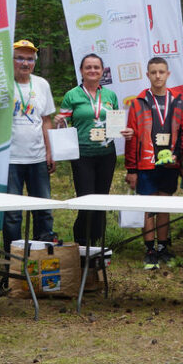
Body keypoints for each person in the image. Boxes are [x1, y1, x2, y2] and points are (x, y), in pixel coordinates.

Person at [124, 57, 183, 269]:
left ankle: (163, 246)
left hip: (170, 163)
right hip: (146, 163)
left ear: (168, 74)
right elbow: (132, 137)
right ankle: (149, 249)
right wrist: (131, 169)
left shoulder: (179, 100)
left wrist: (182, 162)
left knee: (164, 206)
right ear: (148, 75)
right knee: (148, 207)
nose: (158, 76)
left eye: (161, 72)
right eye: (153, 72)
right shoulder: (138, 102)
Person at [56, 53, 121, 246]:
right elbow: (63, 125)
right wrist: (59, 121)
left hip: (106, 154)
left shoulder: (110, 96)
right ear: (82, 71)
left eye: (96, 67)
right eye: (88, 67)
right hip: (82, 155)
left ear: (102, 71)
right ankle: (82, 240)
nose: (93, 71)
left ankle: (98, 241)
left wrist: (123, 130)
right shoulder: (72, 95)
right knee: (86, 199)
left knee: (101, 199)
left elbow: (115, 127)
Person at [6, 40, 57, 253]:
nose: (25, 63)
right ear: (12, 60)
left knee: (43, 209)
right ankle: (12, 258)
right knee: (12, 214)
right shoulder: (3, 83)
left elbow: (46, 120)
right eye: (19, 58)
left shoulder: (42, 84)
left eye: (29, 59)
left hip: (37, 158)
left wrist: (50, 151)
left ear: (34, 62)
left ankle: (43, 256)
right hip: (9, 160)